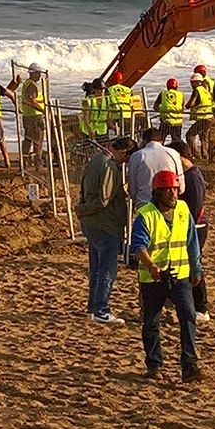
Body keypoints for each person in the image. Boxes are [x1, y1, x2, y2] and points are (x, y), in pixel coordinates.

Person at [129, 170, 203, 381]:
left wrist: (196, 268)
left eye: (175, 189)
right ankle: (154, 365)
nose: (173, 194)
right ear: (157, 192)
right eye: (168, 190)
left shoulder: (183, 209)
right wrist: (151, 266)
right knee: (151, 321)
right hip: (153, 278)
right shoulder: (146, 215)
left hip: (180, 275)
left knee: (188, 316)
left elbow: (192, 242)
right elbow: (138, 246)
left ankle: (189, 364)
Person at [77, 135, 134, 325]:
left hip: (92, 224)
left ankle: (93, 309)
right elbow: (103, 199)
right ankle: (101, 310)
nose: (125, 163)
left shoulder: (96, 159)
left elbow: (84, 190)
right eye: (126, 159)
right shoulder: (109, 166)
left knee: (96, 269)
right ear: (122, 152)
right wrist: (83, 209)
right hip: (105, 223)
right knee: (107, 270)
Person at [168, 139, 212, 324]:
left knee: (194, 264)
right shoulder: (187, 175)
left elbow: (194, 208)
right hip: (190, 226)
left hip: (195, 227)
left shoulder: (193, 178)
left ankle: (201, 308)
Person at [128, 125, 183, 207]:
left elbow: (132, 186)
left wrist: (137, 198)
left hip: (145, 202)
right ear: (161, 141)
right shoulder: (173, 153)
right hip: (168, 202)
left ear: (144, 141)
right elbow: (180, 183)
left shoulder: (137, 156)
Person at [18, 63, 48, 167]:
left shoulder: (27, 83)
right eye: (38, 73)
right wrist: (43, 110)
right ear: (33, 73)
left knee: (28, 139)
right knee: (38, 140)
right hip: (35, 116)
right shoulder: (32, 85)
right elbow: (32, 100)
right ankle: (37, 163)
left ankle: (24, 162)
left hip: (28, 116)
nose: (40, 76)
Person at [185, 71, 215, 162]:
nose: (191, 84)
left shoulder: (197, 90)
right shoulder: (205, 90)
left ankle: (197, 155)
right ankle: (205, 155)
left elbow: (191, 103)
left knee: (189, 135)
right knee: (204, 137)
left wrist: (187, 106)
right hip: (209, 117)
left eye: (192, 82)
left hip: (203, 118)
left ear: (198, 82)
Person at [154, 77, 185, 146]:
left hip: (165, 122)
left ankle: (159, 154)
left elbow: (155, 107)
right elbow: (182, 108)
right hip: (177, 123)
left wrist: (162, 110)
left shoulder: (162, 94)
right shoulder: (181, 95)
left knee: (160, 141)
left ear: (167, 86)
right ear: (177, 86)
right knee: (177, 142)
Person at [105, 72, 135, 136]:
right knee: (127, 134)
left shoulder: (109, 89)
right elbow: (132, 100)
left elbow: (106, 102)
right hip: (128, 114)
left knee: (119, 135)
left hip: (116, 115)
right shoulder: (128, 90)